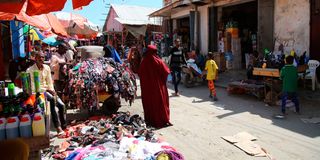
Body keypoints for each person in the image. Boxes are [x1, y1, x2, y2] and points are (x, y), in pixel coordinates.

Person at [27, 52, 66, 133]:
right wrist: (47, 90)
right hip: (38, 92)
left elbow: (49, 82)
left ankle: (64, 127)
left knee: (62, 105)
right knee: (51, 100)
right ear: (35, 59)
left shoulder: (47, 68)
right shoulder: (30, 70)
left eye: (43, 57)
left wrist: (52, 90)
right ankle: (57, 127)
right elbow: (33, 86)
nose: (41, 59)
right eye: (39, 57)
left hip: (48, 90)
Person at [138, 45, 172, 128]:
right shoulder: (158, 61)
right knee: (160, 103)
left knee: (149, 104)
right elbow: (166, 71)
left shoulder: (144, 61)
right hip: (158, 88)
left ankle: (150, 121)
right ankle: (163, 120)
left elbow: (140, 74)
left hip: (147, 89)